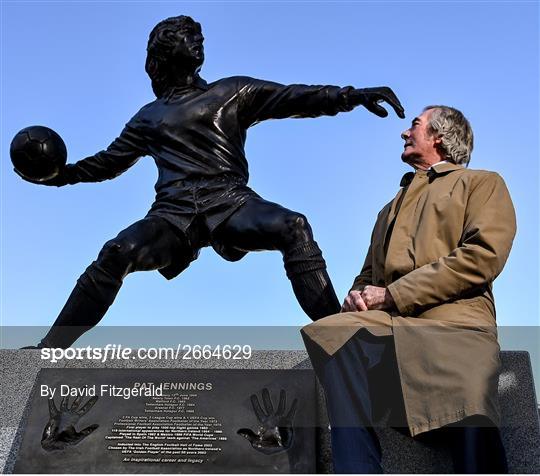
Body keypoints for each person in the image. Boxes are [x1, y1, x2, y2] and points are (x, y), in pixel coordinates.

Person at [24, 15, 404, 349]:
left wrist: (350, 96)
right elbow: (107, 163)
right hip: (173, 216)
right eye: (185, 36)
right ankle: (49, 349)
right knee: (117, 251)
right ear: (163, 53)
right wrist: (60, 175)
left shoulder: (232, 91)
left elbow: (293, 98)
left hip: (230, 201)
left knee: (294, 225)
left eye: (197, 37)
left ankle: (335, 338)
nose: (196, 41)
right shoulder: (149, 117)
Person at [302, 105, 516, 473]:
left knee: (473, 426)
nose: (404, 132)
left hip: (457, 331)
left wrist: (393, 295)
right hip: (393, 329)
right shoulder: (388, 209)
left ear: (440, 135)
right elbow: (368, 274)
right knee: (334, 334)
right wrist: (357, 297)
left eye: (414, 124)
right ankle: (358, 468)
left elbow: (483, 255)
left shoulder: (482, 183)